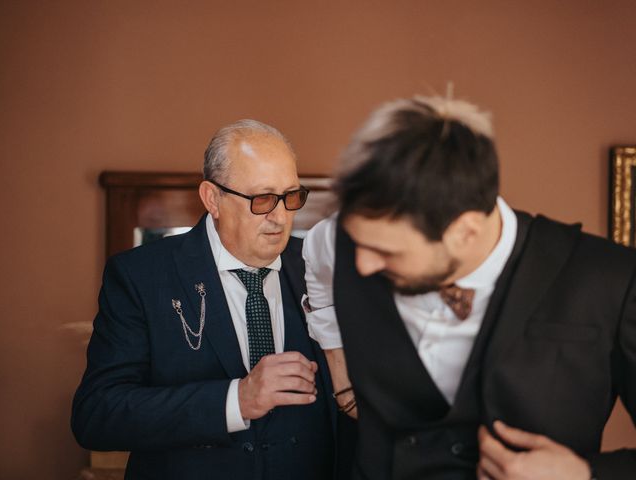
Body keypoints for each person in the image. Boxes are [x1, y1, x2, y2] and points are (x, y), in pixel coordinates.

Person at [302, 96, 636, 479]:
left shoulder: (610, 280)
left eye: (387, 252)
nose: (362, 266)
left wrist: (584, 475)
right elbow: (322, 275)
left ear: (466, 232)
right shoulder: (344, 243)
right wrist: (340, 375)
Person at [72, 119, 351, 480]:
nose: (280, 217)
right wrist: (236, 400)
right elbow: (97, 415)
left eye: (291, 197)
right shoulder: (141, 276)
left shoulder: (323, 269)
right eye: (262, 199)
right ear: (212, 198)